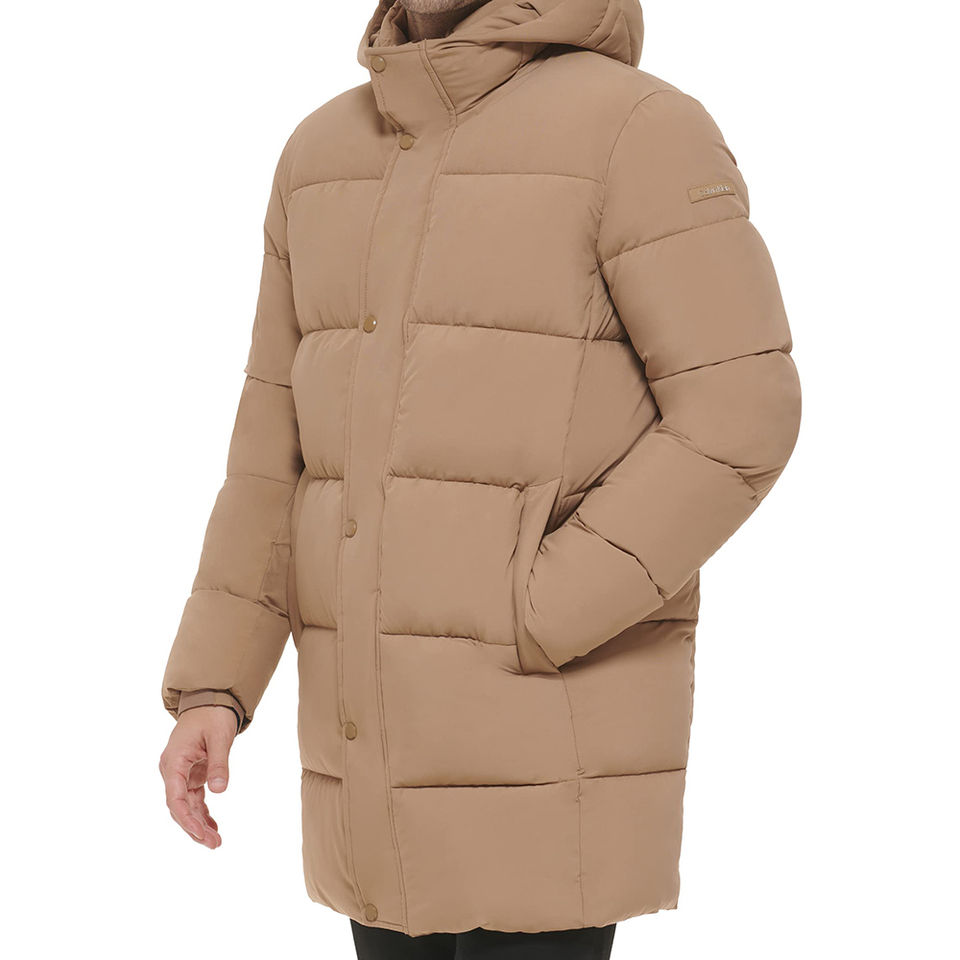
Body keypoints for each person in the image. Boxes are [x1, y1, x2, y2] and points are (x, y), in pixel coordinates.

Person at [158, 0, 802, 956]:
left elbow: (742, 409)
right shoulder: (322, 154)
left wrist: (542, 604)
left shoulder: (637, 130)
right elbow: (272, 452)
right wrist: (216, 684)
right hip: (370, 747)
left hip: (550, 735)